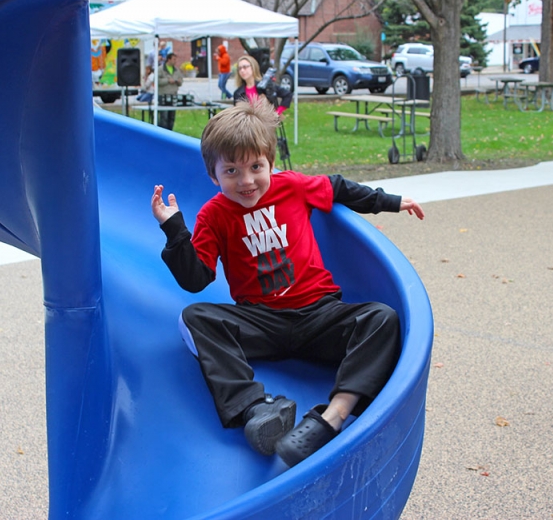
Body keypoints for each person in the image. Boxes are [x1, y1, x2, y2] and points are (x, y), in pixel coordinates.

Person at [150, 98, 425, 468]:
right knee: (195, 318)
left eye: (255, 167)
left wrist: (392, 201)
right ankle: (255, 410)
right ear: (213, 176)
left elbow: (339, 187)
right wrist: (174, 230)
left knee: (382, 318)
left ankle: (332, 417)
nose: (246, 181)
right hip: (261, 321)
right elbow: (196, 280)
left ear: (271, 163)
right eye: (231, 171)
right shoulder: (214, 215)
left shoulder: (293, 187)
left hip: (319, 315)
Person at [157, 53, 183, 130]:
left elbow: (181, 81)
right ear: (169, 59)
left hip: (173, 96)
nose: (175, 61)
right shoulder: (160, 69)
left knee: (171, 117)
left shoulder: (177, 70)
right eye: (174, 59)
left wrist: (178, 81)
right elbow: (157, 81)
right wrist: (167, 80)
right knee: (164, 117)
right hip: (163, 96)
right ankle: (162, 134)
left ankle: (170, 132)